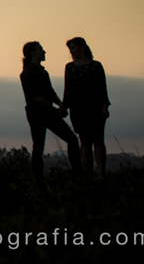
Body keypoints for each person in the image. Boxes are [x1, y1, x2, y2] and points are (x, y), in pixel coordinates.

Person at [20, 41, 82, 185]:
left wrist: (62, 105)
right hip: (37, 114)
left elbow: (50, 92)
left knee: (72, 140)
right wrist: (55, 109)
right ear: (33, 53)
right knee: (39, 148)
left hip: (48, 113)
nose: (44, 52)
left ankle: (78, 174)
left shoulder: (43, 72)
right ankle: (40, 182)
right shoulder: (27, 74)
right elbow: (35, 97)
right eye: (41, 49)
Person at [63, 37, 110, 178]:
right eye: (70, 49)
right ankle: (89, 175)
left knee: (98, 139)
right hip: (78, 109)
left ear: (82, 48)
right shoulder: (70, 67)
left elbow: (102, 88)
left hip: (95, 107)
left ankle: (101, 174)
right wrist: (64, 106)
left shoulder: (96, 66)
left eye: (73, 48)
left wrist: (105, 106)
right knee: (84, 141)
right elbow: (68, 89)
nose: (71, 52)